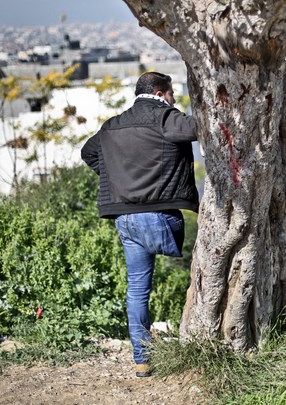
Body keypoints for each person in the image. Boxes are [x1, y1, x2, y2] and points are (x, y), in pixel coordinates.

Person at [81, 72, 198, 377]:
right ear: (161, 93)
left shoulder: (112, 125)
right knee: (203, 267)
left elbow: (88, 152)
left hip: (125, 218)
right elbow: (198, 128)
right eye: (172, 94)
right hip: (161, 217)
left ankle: (142, 359)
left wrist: (116, 178)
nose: (173, 100)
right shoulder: (164, 116)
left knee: (137, 290)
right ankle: (198, 339)